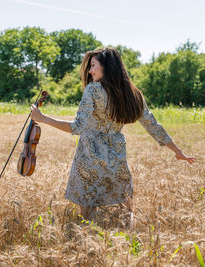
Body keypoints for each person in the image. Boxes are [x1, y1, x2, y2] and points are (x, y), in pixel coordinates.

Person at [30, 47, 196, 228]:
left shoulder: (93, 90)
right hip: (116, 155)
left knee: (87, 209)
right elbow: (153, 126)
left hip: (89, 156)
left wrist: (43, 118)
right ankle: (128, 242)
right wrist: (177, 151)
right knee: (126, 208)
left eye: (93, 66)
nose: (90, 71)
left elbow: (77, 127)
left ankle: (90, 246)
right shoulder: (134, 95)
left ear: (106, 67)